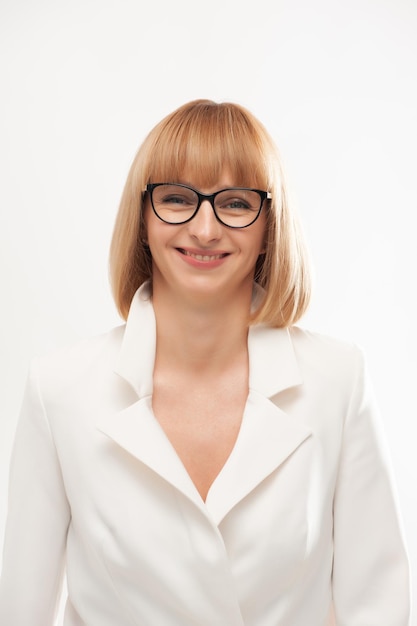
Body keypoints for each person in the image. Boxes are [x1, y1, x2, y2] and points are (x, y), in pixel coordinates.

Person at [0, 99, 410, 626]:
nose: (205, 229)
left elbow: (378, 608)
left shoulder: (338, 381)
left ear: (270, 224)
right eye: (177, 198)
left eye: (236, 203)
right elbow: (20, 615)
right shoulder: (59, 390)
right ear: (143, 216)